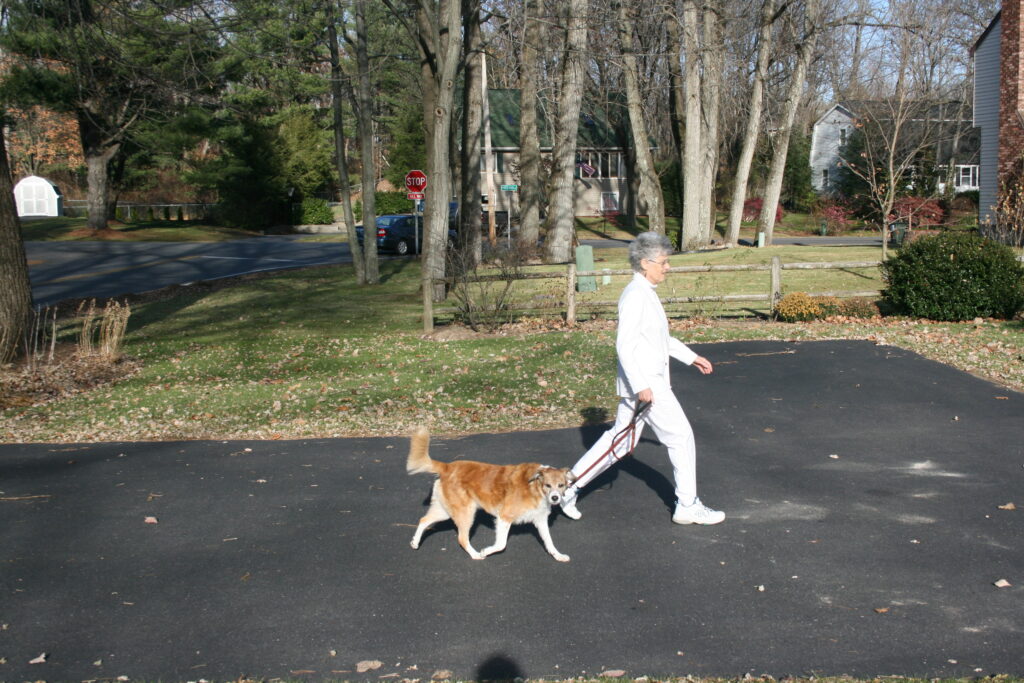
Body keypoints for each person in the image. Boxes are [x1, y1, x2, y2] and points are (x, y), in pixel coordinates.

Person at [561, 231, 725, 525]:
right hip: (648, 384)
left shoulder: (644, 293)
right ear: (645, 263)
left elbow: (658, 339)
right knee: (680, 436)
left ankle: (567, 488)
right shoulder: (636, 296)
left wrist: (691, 357)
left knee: (619, 443)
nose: (667, 267)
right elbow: (624, 345)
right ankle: (687, 504)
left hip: (646, 383)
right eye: (663, 262)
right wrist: (641, 386)